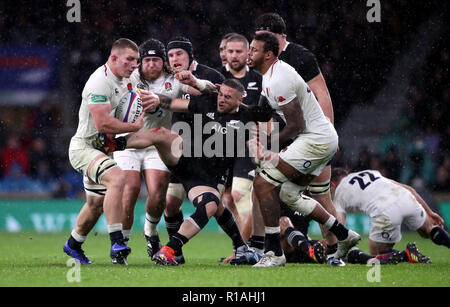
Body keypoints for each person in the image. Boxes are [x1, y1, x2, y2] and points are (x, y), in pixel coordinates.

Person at [96, 78, 272, 266]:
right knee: (161, 134)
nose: (221, 99)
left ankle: (171, 249)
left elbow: (267, 117)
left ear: (239, 100)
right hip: (185, 157)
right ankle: (115, 143)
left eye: (227, 97)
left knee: (212, 206)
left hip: (206, 177)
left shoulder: (247, 116)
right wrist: (155, 98)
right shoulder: (207, 102)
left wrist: (259, 148)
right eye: (221, 94)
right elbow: (172, 103)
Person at [246, 32, 360, 267]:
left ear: (268, 54)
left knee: (262, 183)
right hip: (319, 138)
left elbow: (297, 125)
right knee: (289, 194)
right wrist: (223, 98)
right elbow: (261, 113)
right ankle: (344, 235)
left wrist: (268, 145)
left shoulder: (278, 79)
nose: (249, 54)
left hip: (314, 140)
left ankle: (274, 253)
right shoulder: (270, 75)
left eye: (253, 50)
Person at [113, 38, 212, 260]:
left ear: (163, 61)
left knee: (159, 196)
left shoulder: (174, 80)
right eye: (147, 60)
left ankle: (150, 232)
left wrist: (196, 81)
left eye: (156, 60)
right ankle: (122, 245)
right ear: (140, 62)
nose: (151, 64)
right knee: (130, 191)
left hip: (157, 143)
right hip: (129, 141)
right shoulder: (129, 76)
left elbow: (207, 93)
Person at [63, 38, 146, 265]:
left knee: (95, 205)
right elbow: (101, 124)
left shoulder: (131, 76)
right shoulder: (99, 82)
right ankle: (117, 242)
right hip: (84, 147)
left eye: (136, 61)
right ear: (113, 58)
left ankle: (73, 244)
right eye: (129, 60)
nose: (133, 65)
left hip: (102, 149)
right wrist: (133, 127)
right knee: (117, 178)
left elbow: (150, 69)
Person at [163, 36, 225, 263]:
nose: (174, 59)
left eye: (179, 54)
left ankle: (242, 247)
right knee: (170, 204)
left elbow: (219, 105)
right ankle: (176, 254)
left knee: (214, 206)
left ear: (191, 55)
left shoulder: (211, 76)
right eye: (170, 55)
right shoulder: (168, 80)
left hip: (210, 150)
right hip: (181, 151)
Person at [331, 167, 450, 264]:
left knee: (375, 255)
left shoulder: (338, 194)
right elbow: (410, 189)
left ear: (333, 185)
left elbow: (340, 230)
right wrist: (430, 212)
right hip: (405, 197)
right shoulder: (369, 172)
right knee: (428, 230)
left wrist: (331, 247)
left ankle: (406, 255)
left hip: (385, 210)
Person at [219, 33, 263, 236]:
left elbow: (266, 112)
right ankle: (242, 244)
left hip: (247, 144)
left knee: (239, 194)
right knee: (227, 199)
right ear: (224, 53)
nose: (234, 55)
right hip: (220, 145)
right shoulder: (217, 78)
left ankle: (247, 247)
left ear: (247, 54)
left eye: (239, 51)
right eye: (230, 51)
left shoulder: (258, 79)